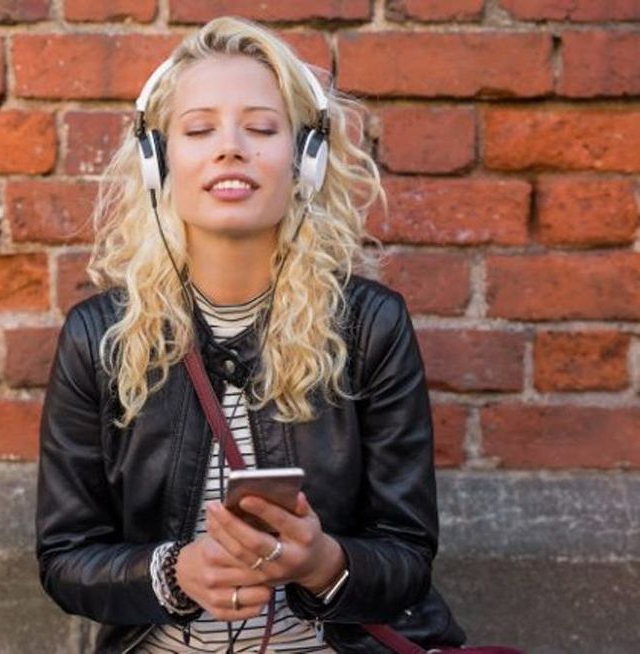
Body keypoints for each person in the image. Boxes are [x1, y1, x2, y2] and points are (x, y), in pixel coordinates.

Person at [36, 16, 466, 653]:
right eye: (200, 128)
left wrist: (322, 561)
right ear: (158, 161)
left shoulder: (370, 327)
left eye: (262, 128)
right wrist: (174, 573)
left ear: (306, 160)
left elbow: (406, 555)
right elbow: (66, 557)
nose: (230, 146)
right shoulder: (99, 337)